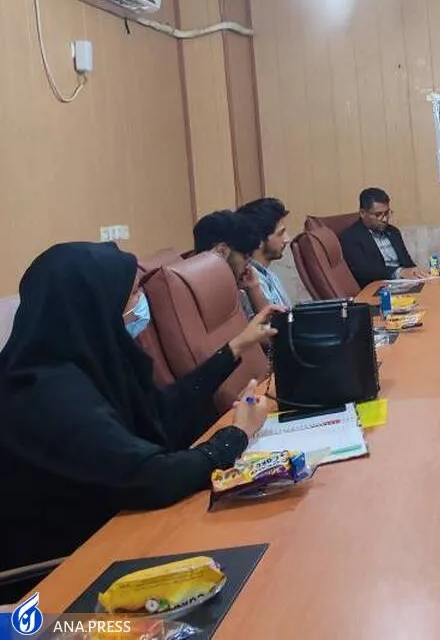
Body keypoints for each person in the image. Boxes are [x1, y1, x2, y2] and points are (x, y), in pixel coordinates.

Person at [0, 242, 275, 575]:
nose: (142, 302)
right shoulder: (44, 393)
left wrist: (234, 348)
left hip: (120, 526)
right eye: (132, 294)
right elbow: (151, 477)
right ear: (96, 306)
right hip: (63, 567)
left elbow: (159, 412)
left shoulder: (91, 359)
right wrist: (235, 436)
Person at [193, 209, 275, 315]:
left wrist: (254, 289)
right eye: (245, 257)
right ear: (221, 252)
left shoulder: (232, 288)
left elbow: (269, 322)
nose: (248, 267)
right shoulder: (199, 298)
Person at [340, 187, 417, 287]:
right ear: (362, 213)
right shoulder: (351, 237)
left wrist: (416, 273)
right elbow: (364, 272)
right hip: (377, 288)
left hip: (405, 284)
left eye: (387, 213)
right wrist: (398, 272)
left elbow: (408, 263)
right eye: (378, 215)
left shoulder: (393, 232)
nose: (384, 219)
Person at [236, 197, 292, 316]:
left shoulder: (269, 275)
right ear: (259, 239)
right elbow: (269, 324)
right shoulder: (248, 281)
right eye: (280, 234)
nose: (287, 239)